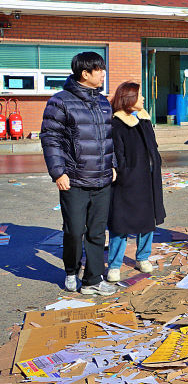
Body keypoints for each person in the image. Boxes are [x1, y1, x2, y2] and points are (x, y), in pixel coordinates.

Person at [40, 52, 118, 296]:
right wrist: (58, 172)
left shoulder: (103, 101)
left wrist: (112, 164)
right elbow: (50, 138)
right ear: (85, 74)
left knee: (96, 232)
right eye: (99, 70)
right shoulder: (60, 101)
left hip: (102, 177)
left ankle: (93, 279)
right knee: (74, 230)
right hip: (73, 179)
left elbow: (108, 138)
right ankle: (72, 270)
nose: (103, 74)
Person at [106, 82, 166, 282]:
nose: (142, 99)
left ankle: (143, 257)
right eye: (139, 95)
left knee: (147, 221)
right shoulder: (117, 123)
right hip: (127, 180)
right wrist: (122, 172)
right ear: (128, 98)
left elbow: (153, 146)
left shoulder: (144, 119)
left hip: (149, 179)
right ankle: (114, 265)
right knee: (120, 223)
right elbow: (116, 153)